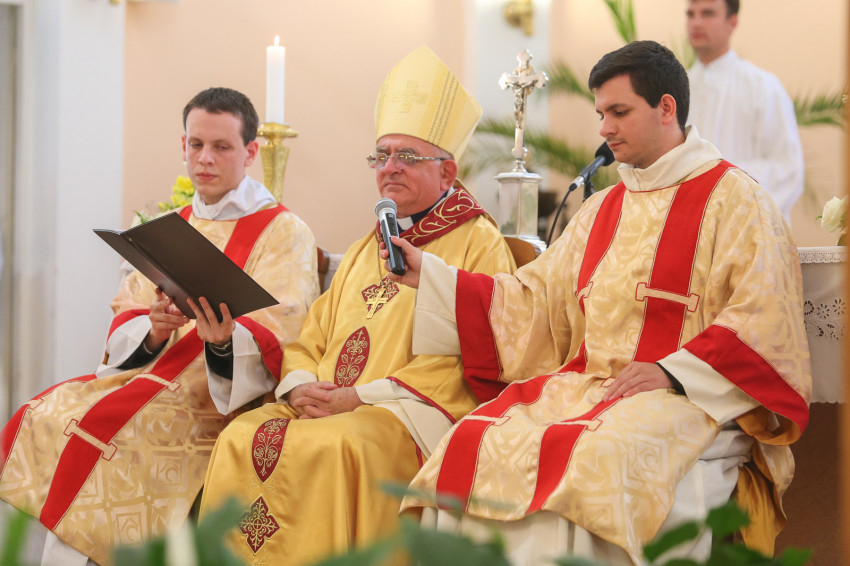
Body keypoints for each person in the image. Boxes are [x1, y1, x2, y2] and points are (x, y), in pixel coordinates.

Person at [388, 41, 811, 565]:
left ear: (666, 107)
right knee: (471, 441)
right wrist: (432, 276)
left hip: (685, 398)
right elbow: (535, 299)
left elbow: (764, 318)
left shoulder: (739, 201)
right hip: (585, 386)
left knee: (597, 457)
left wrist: (673, 371)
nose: (605, 128)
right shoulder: (601, 209)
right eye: (600, 115)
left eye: (619, 112)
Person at [199, 46, 516, 566]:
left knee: (339, 446)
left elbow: (474, 350)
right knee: (240, 436)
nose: (389, 168)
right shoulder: (370, 245)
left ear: (448, 172)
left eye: (406, 157)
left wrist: (360, 397)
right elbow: (313, 334)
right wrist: (301, 385)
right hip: (326, 404)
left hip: (405, 414)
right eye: (381, 155)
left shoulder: (478, 242)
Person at [0, 87, 320, 565]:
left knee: (120, 439)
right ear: (183, 145)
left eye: (221, 147)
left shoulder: (284, 232)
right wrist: (153, 328)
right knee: (44, 416)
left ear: (251, 152)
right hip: (147, 375)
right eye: (196, 144)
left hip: (214, 398)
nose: (205, 158)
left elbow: (285, 326)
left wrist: (224, 341)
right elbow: (127, 308)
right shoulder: (170, 225)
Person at [686, 0, 804, 223]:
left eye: (708, 13)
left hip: (748, 230)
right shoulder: (678, 90)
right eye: (691, 14)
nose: (696, 23)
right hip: (690, 226)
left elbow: (788, 169)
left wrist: (719, 182)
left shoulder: (763, 87)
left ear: (732, 22)